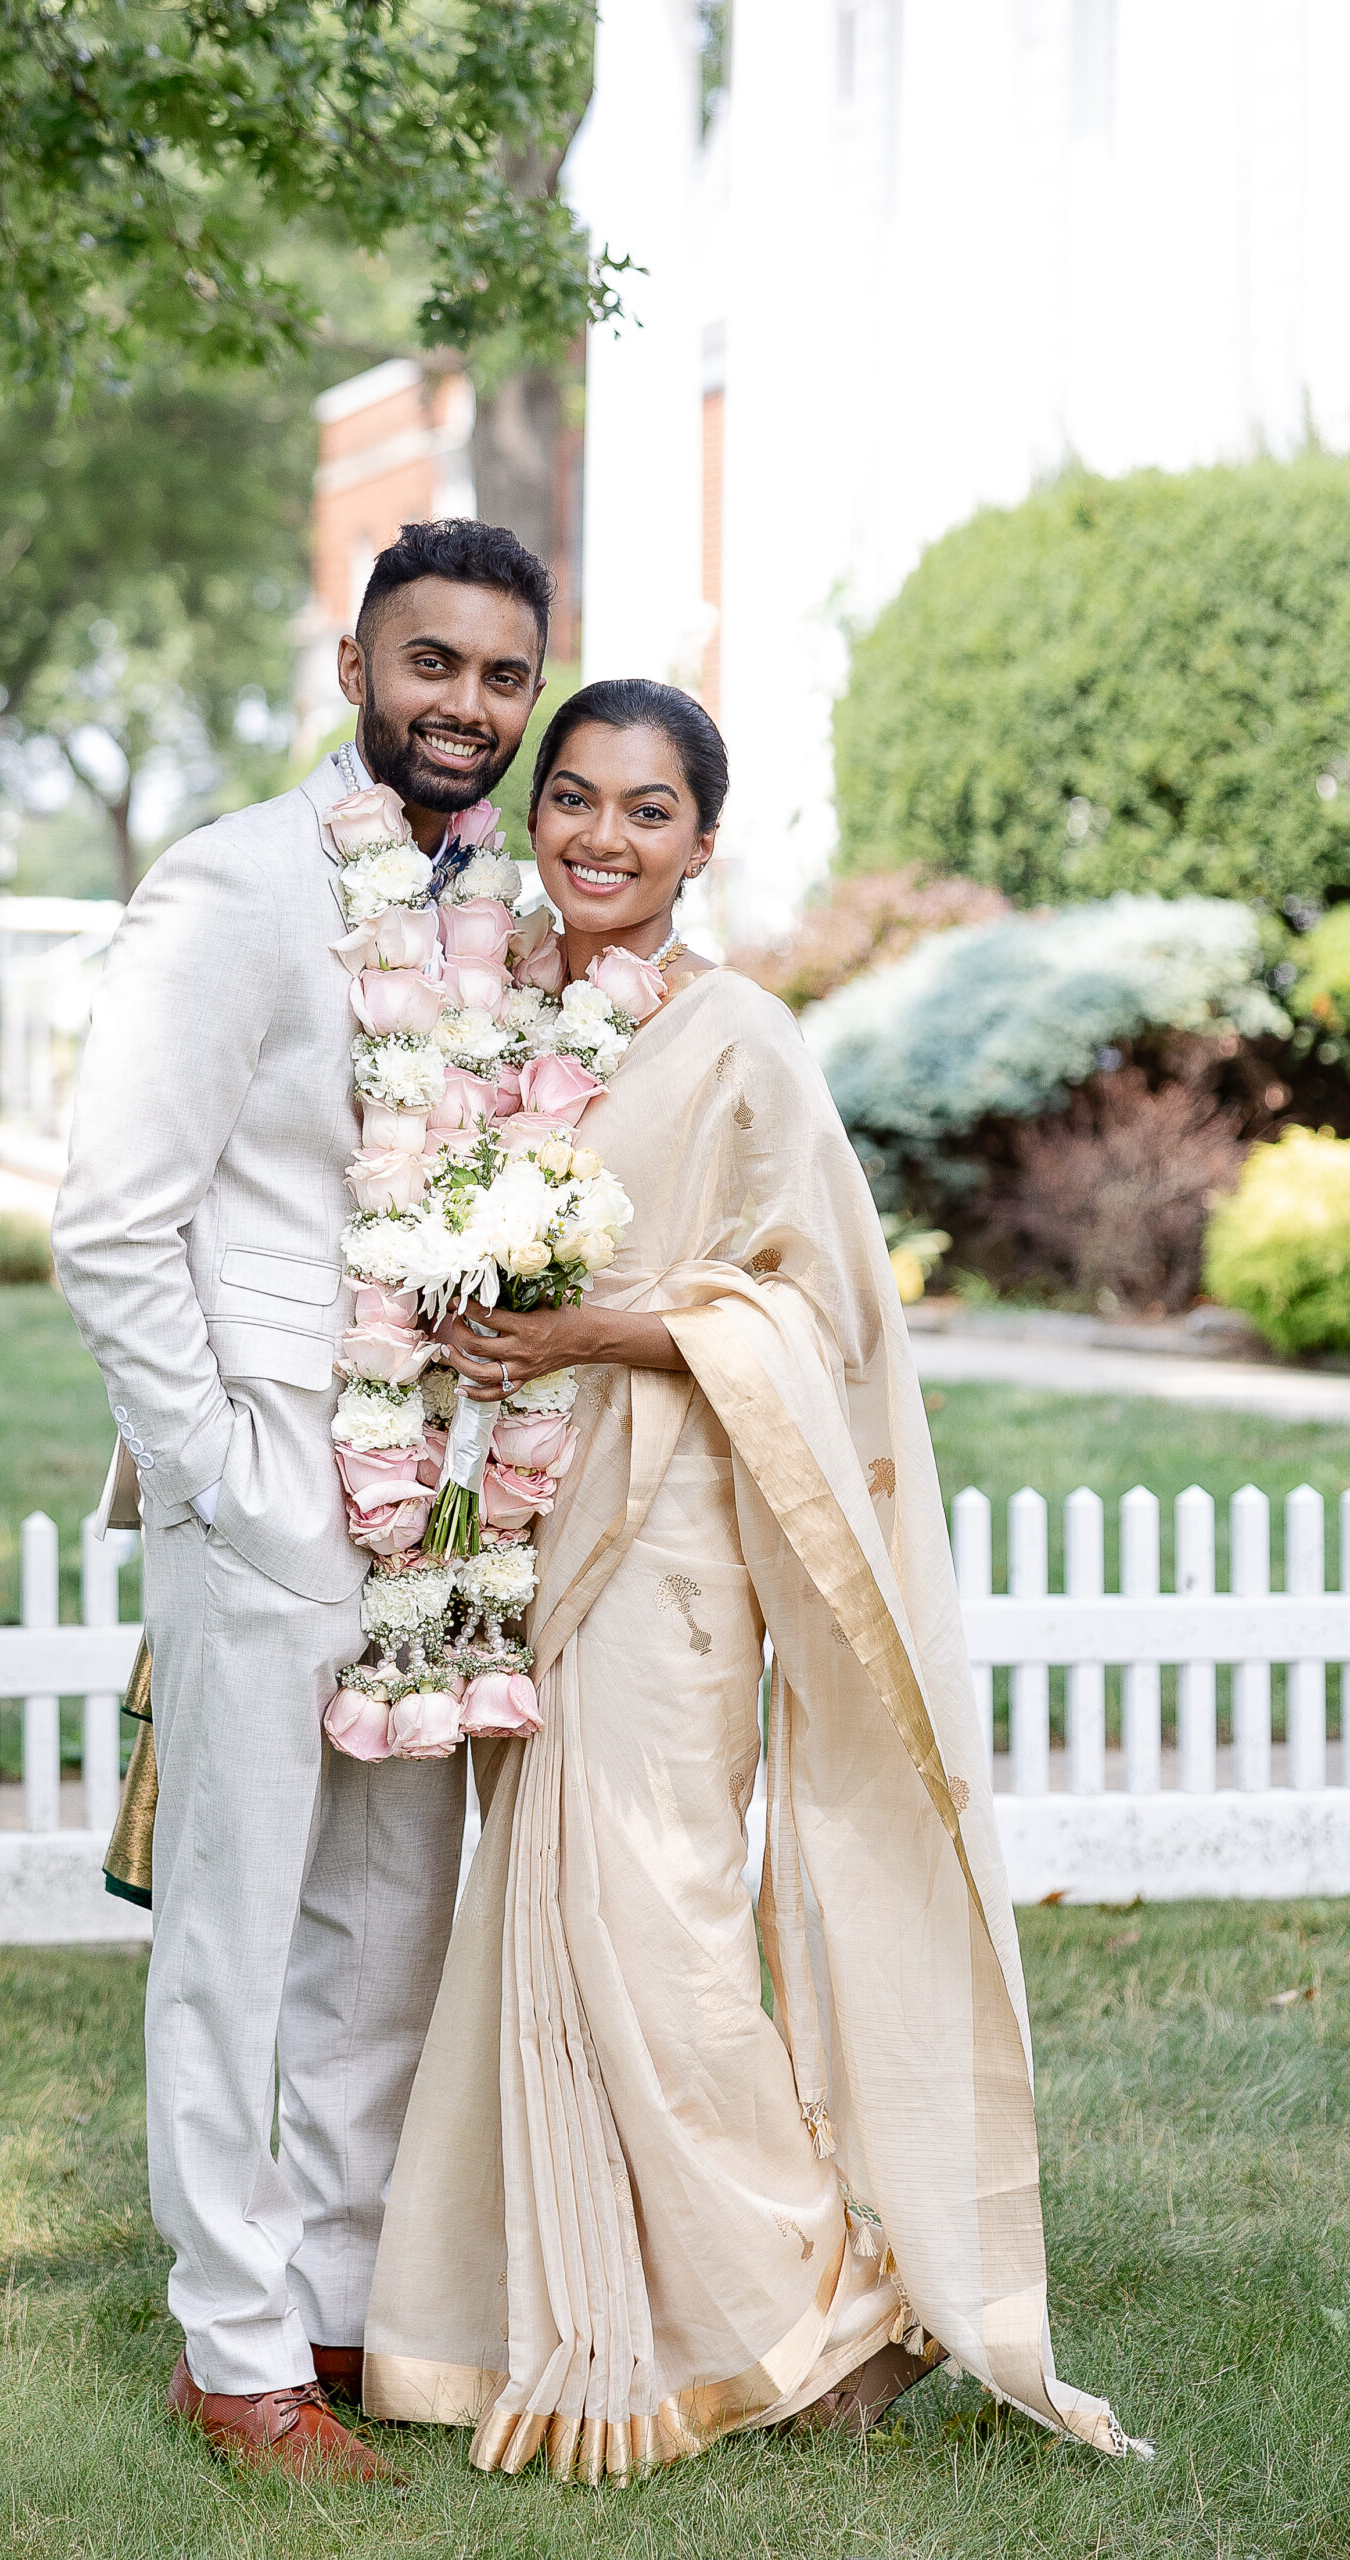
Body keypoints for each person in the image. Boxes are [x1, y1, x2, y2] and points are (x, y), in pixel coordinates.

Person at [361, 679, 1143, 2481]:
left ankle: (835, 2315)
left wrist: (600, 1329)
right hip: (520, 1546)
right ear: (527, 817)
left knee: (663, 1936)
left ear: (702, 844)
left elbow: (822, 1313)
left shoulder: (739, 1040)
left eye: (648, 811)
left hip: (672, 1544)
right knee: (545, 1934)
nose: (601, 838)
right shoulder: (478, 1023)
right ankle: (617, 2317)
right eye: (572, 799)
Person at [51, 520, 550, 2486]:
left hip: (448, 1502)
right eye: (432, 663)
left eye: (503, 675)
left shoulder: (515, 906)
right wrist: (223, 1470)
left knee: (384, 1934)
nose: (468, 707)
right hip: (268, 1472)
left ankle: (343, 2307)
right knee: (236, 1931)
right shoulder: (241, 881)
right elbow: (111, 1213)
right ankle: (231, 2348)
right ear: (356, 661)